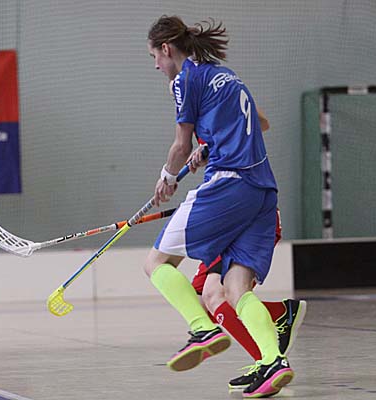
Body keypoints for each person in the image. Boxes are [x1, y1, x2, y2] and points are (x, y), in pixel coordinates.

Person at [144, 15, 294, 397]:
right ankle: (273, 361)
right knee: (236, 288)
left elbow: (180, 145)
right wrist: (211, 145)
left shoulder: (185, 79)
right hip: (264, 191)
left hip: (229, 185)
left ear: (166, 49)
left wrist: (167, 177)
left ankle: (201, 329)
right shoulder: (226, 76)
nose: (156, 66)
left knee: (156, 263)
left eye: (154, 57)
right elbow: (259, 123)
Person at [167, 81, 307, 392]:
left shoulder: (211, 91)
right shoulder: (210, 93)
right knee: (203, 296)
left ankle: (269, 360)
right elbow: (255, 126)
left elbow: (260, 123)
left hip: (241, 211)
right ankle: (277, 323)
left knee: (215, 294)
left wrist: (209, 148)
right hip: (230, 208)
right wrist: (210, 150)